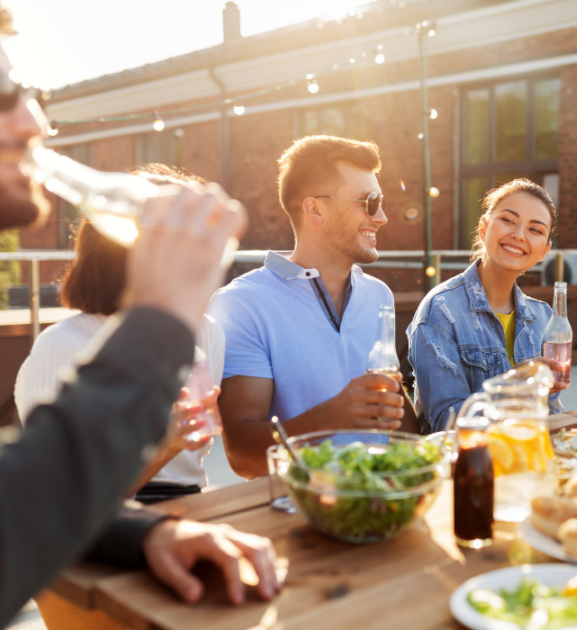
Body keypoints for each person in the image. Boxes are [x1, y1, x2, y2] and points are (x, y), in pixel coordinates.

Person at [0, 10, 279, 625]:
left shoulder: (213, 330)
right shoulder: (65, 340)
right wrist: (158, 320)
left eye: (28, 94)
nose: (35, 122)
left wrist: (143, 535)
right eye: (4, 95)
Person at [208, 135, 417, 479]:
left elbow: (393, 411)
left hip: (381, 500)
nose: (381, 217)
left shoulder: (379, 295)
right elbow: (244, 455)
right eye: (369, 202)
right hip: (294, 511)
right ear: (315, 208)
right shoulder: (241, 304)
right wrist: (331, 417)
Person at [15, 166, 225, 504]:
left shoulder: (205, 331)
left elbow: (191, 465)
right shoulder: (64, 344)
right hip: (105, 524)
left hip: (191, 502)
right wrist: (166, 445)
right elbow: (55, 501)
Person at [407, 179, 563, 434]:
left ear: (544, 251)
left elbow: (551, 413)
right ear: (483, 228)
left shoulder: (543, 316)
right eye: (508, 220)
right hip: (468, 467)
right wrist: (512, 386)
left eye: (535, 230)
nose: (519, 234)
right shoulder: (441, 310)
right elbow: (447, 422)